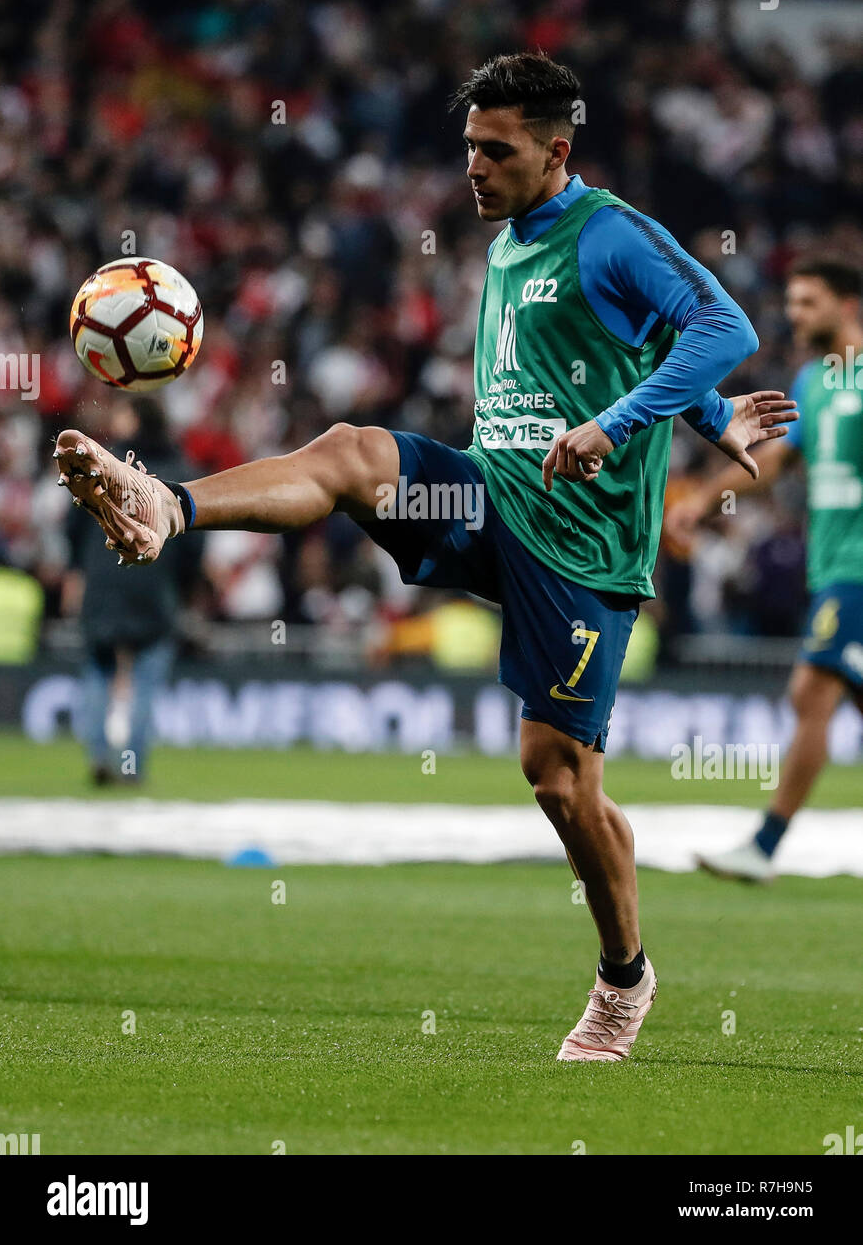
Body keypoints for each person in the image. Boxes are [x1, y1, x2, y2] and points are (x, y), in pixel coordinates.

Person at [52, 51, 795, 1060]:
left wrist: (626, 426)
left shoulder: (610, 233)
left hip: (583, 552)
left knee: (560, 781)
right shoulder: (506, 244)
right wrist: (704, 416)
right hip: (488, 496)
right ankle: (166, 506)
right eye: (466, 150)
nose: (473, 170)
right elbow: (635, 344)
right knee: (355, 452)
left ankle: (623, 974)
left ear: (555, 152)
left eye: (495, 151)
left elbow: (721, 324)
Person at [665, 259, 862, 882]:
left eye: (808, 303)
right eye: (792, 303)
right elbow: (777, 462)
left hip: (856, 571)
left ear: (847, 304)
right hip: (830, 563)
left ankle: (765, 846)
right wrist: (701, 498)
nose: (794, 315)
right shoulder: (811, 382)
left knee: (810, 692)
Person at [62, 398, 204, 785]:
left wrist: (76, 574)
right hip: (155, 586)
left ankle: (99, 754)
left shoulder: (102, 468)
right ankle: (133, 767)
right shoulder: (180, 472)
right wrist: (184, 587)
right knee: (145, 680)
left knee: (97, 670)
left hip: (104, 585)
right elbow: (194, 545)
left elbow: (73, 527)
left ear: (136, 421)